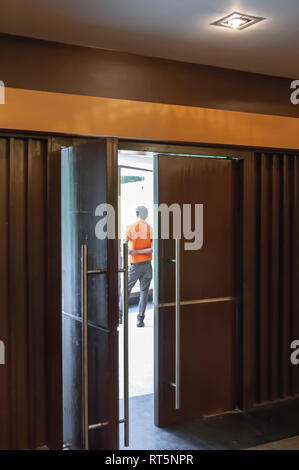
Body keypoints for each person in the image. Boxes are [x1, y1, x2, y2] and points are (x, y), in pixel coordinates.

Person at [122, 205, 153, 327]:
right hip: (147, 265)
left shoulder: (130, 227)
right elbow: (151, 249)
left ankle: (119, 314)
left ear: (136, 214)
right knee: (144, 292)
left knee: (126, 289)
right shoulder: (150, 229)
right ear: (147, 215)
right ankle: (140, 319)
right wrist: (140, 252)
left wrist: (133, 252)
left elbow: (125, 244)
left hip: (135, 265)